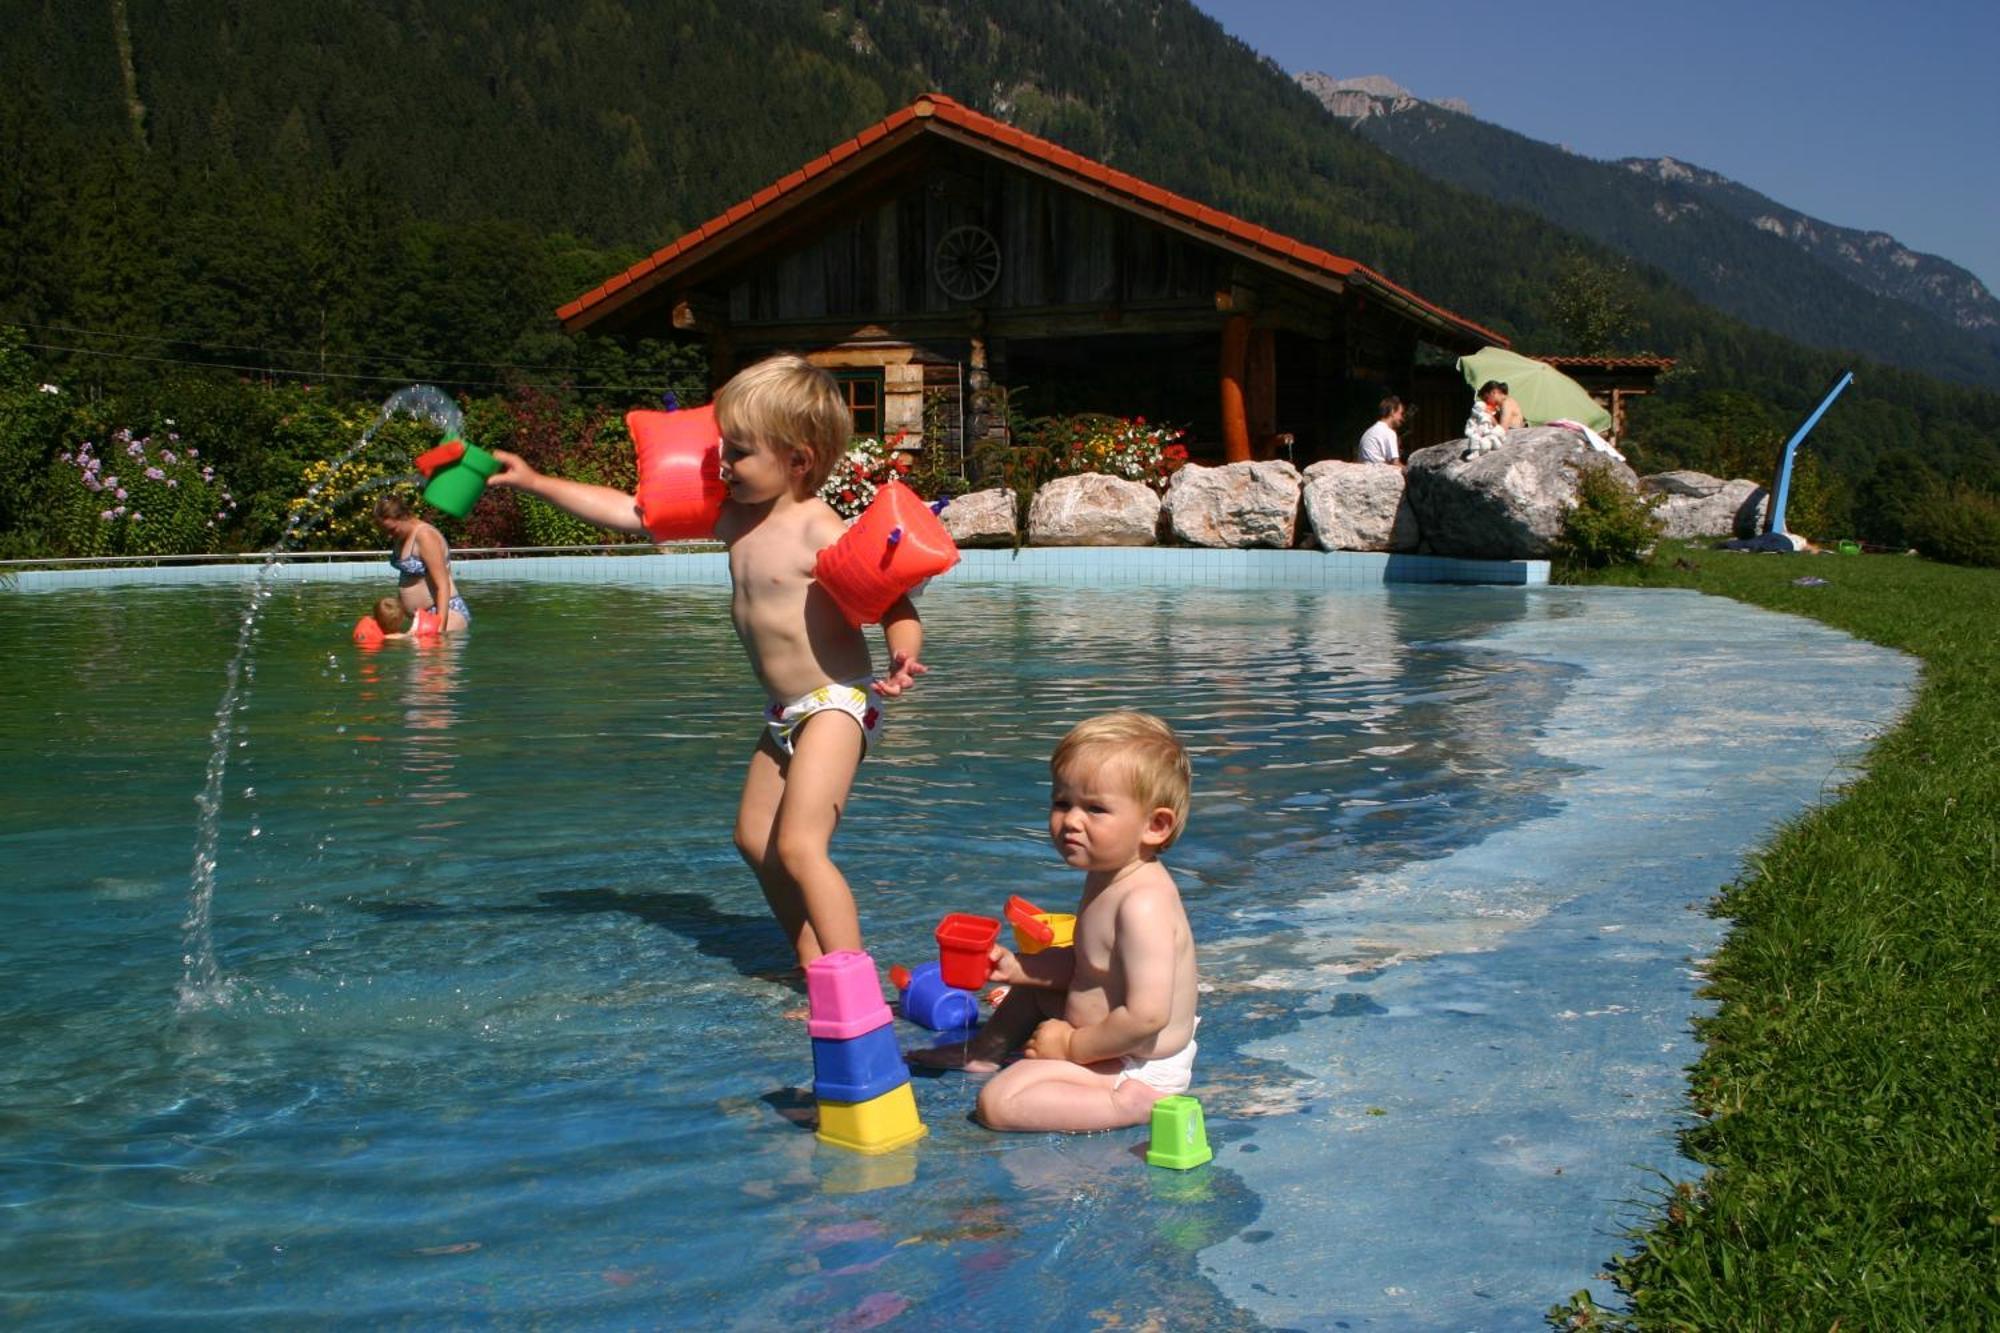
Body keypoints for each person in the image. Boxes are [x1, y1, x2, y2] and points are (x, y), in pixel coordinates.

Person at [485, 354, 928, 967]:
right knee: (752, 839)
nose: (723, 464)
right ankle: (812, 962)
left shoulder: (819, 530)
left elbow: (891, 601)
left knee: (800, 846)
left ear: (797, 459)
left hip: (835, 702)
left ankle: (855, 996)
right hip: (785, 709)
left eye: (740, 453)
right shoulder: (734, 518)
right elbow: (633, 513)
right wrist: (536, 481)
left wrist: (904, 655)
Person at [922, 711, 1200, 1134]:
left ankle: (1133, 1105)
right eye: (1062, 803)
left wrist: (1070, 1046)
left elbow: (1146, 1017)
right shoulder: (1109, 876)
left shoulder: (1144, 904)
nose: (1071, 821)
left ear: (1155, 826)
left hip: (1138, 1063)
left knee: (1000, 1103)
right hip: (1102, 1039)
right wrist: (1019, 969)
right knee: (1029, 992)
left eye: (1095, 809)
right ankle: (982, 1052)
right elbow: (1089, 965)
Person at [374, 494, 470, 631]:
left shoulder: (425, 536)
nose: (389, 536)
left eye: (391, 530)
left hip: (444, 612)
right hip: (420, 618)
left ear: (402, 517)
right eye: (385, 532)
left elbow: (443, 585)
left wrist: (440, 629)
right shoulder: (400, 536)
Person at [1357, 395, 1407, 467]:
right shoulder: (1389, 433)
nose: (1402, 418)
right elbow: (1395, 464)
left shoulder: (1369, 431)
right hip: (1380, 474)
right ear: (1392, 411)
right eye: (1400, 414)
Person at [1463, 381, 1508, 458]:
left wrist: (1489, 416)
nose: (1486, 403)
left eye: (1486, 398)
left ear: (1494, 392)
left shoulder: (1506, 403)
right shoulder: (1501, 406)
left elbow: (1503, 430)